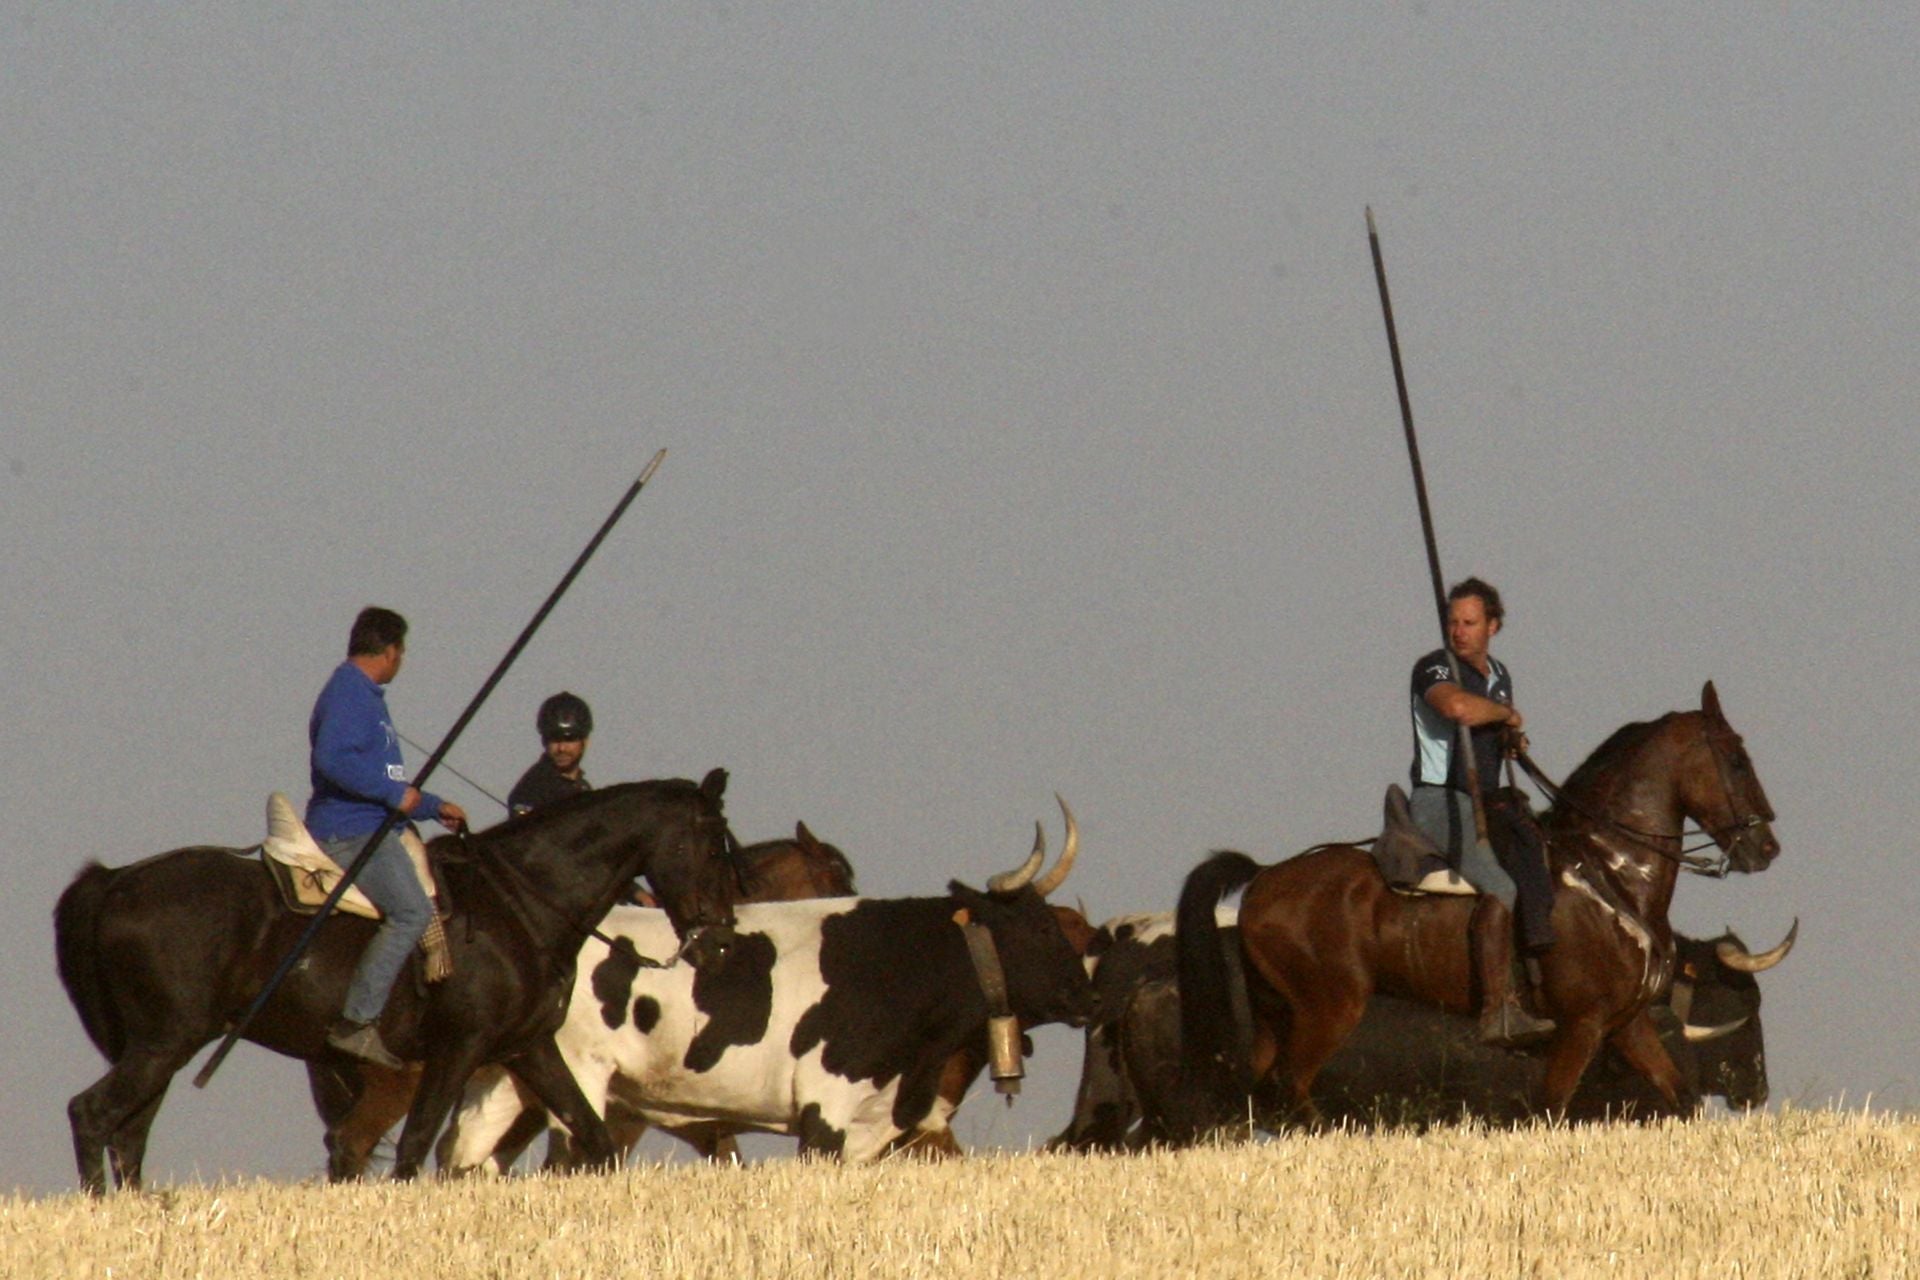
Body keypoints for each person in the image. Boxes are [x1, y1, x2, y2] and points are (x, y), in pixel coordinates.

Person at [307, 606, 467, 1070]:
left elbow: (390, 782)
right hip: (350, 830)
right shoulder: (348, 693)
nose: (403, 660)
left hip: (376, 822)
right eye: (403, 651)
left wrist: (435, 806)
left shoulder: (366, 695)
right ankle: (358, 1022)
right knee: (412, 911)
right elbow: (332, 761)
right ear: (390, 650)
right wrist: (392, 794)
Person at [1409, 577, 1557, 1047]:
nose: (1458, 631)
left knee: (1538, 861)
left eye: (1469, 623)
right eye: (1453, 622)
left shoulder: (1499, 674)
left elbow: (1493, 722)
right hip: (1440, 800)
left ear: (1492, 625)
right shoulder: (1435, 668)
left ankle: (1539, 979)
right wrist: (1506, 715)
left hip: (1487, 799)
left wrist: (1511, 738)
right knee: (1498, 884)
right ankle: (1498, 1012)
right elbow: (1458, 709)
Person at [507, 691, 594, 817]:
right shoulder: (530, 791)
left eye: (569, 739)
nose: (561, 748)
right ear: (544, 741)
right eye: (554, 739)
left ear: (584, 742)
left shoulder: (583, 788)